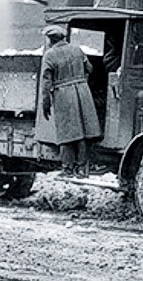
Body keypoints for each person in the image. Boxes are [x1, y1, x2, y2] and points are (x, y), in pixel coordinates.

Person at [39, 24, 101, 178]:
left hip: (63, 95)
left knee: (66, 133)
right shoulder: (76, 49)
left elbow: (46, 82)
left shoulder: (50, 55)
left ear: (50, 39)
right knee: (82, 131)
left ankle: (67, 169)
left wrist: (45, 104)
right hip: (83, 92)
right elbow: (90, 69)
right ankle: (81, 168)